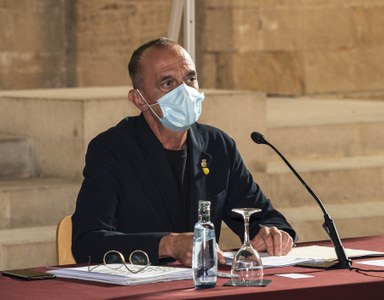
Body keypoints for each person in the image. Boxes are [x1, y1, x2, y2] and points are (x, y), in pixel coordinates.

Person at [72, 37, 297, 267]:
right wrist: (168, 245)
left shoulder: (217, 145)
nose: (185, 91)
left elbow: (267, 218)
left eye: (190, 78)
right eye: (168, 83)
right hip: (142, 284)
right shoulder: (112, 149)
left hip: (204, 285)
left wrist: (273, 234)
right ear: (139, 99)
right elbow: (88, 242)